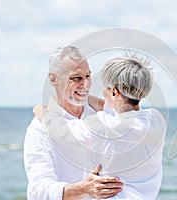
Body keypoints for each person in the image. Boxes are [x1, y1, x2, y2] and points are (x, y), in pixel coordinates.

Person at [35, 55, 167, 199]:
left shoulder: (104, 126)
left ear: (114, 93)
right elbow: (119, 110)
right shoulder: (156, 120)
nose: (102, 93)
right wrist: (82, 96)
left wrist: (40, 111)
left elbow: (61, 131)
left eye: (105, 89)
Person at [23, 45, 123, 200]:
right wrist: (82, 189)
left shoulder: (104, 114)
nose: (86, 85)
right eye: (76, 78)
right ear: (53, 79)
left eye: (88, 76)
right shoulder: (38, 129)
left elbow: (131, 114)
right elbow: (39, 191)